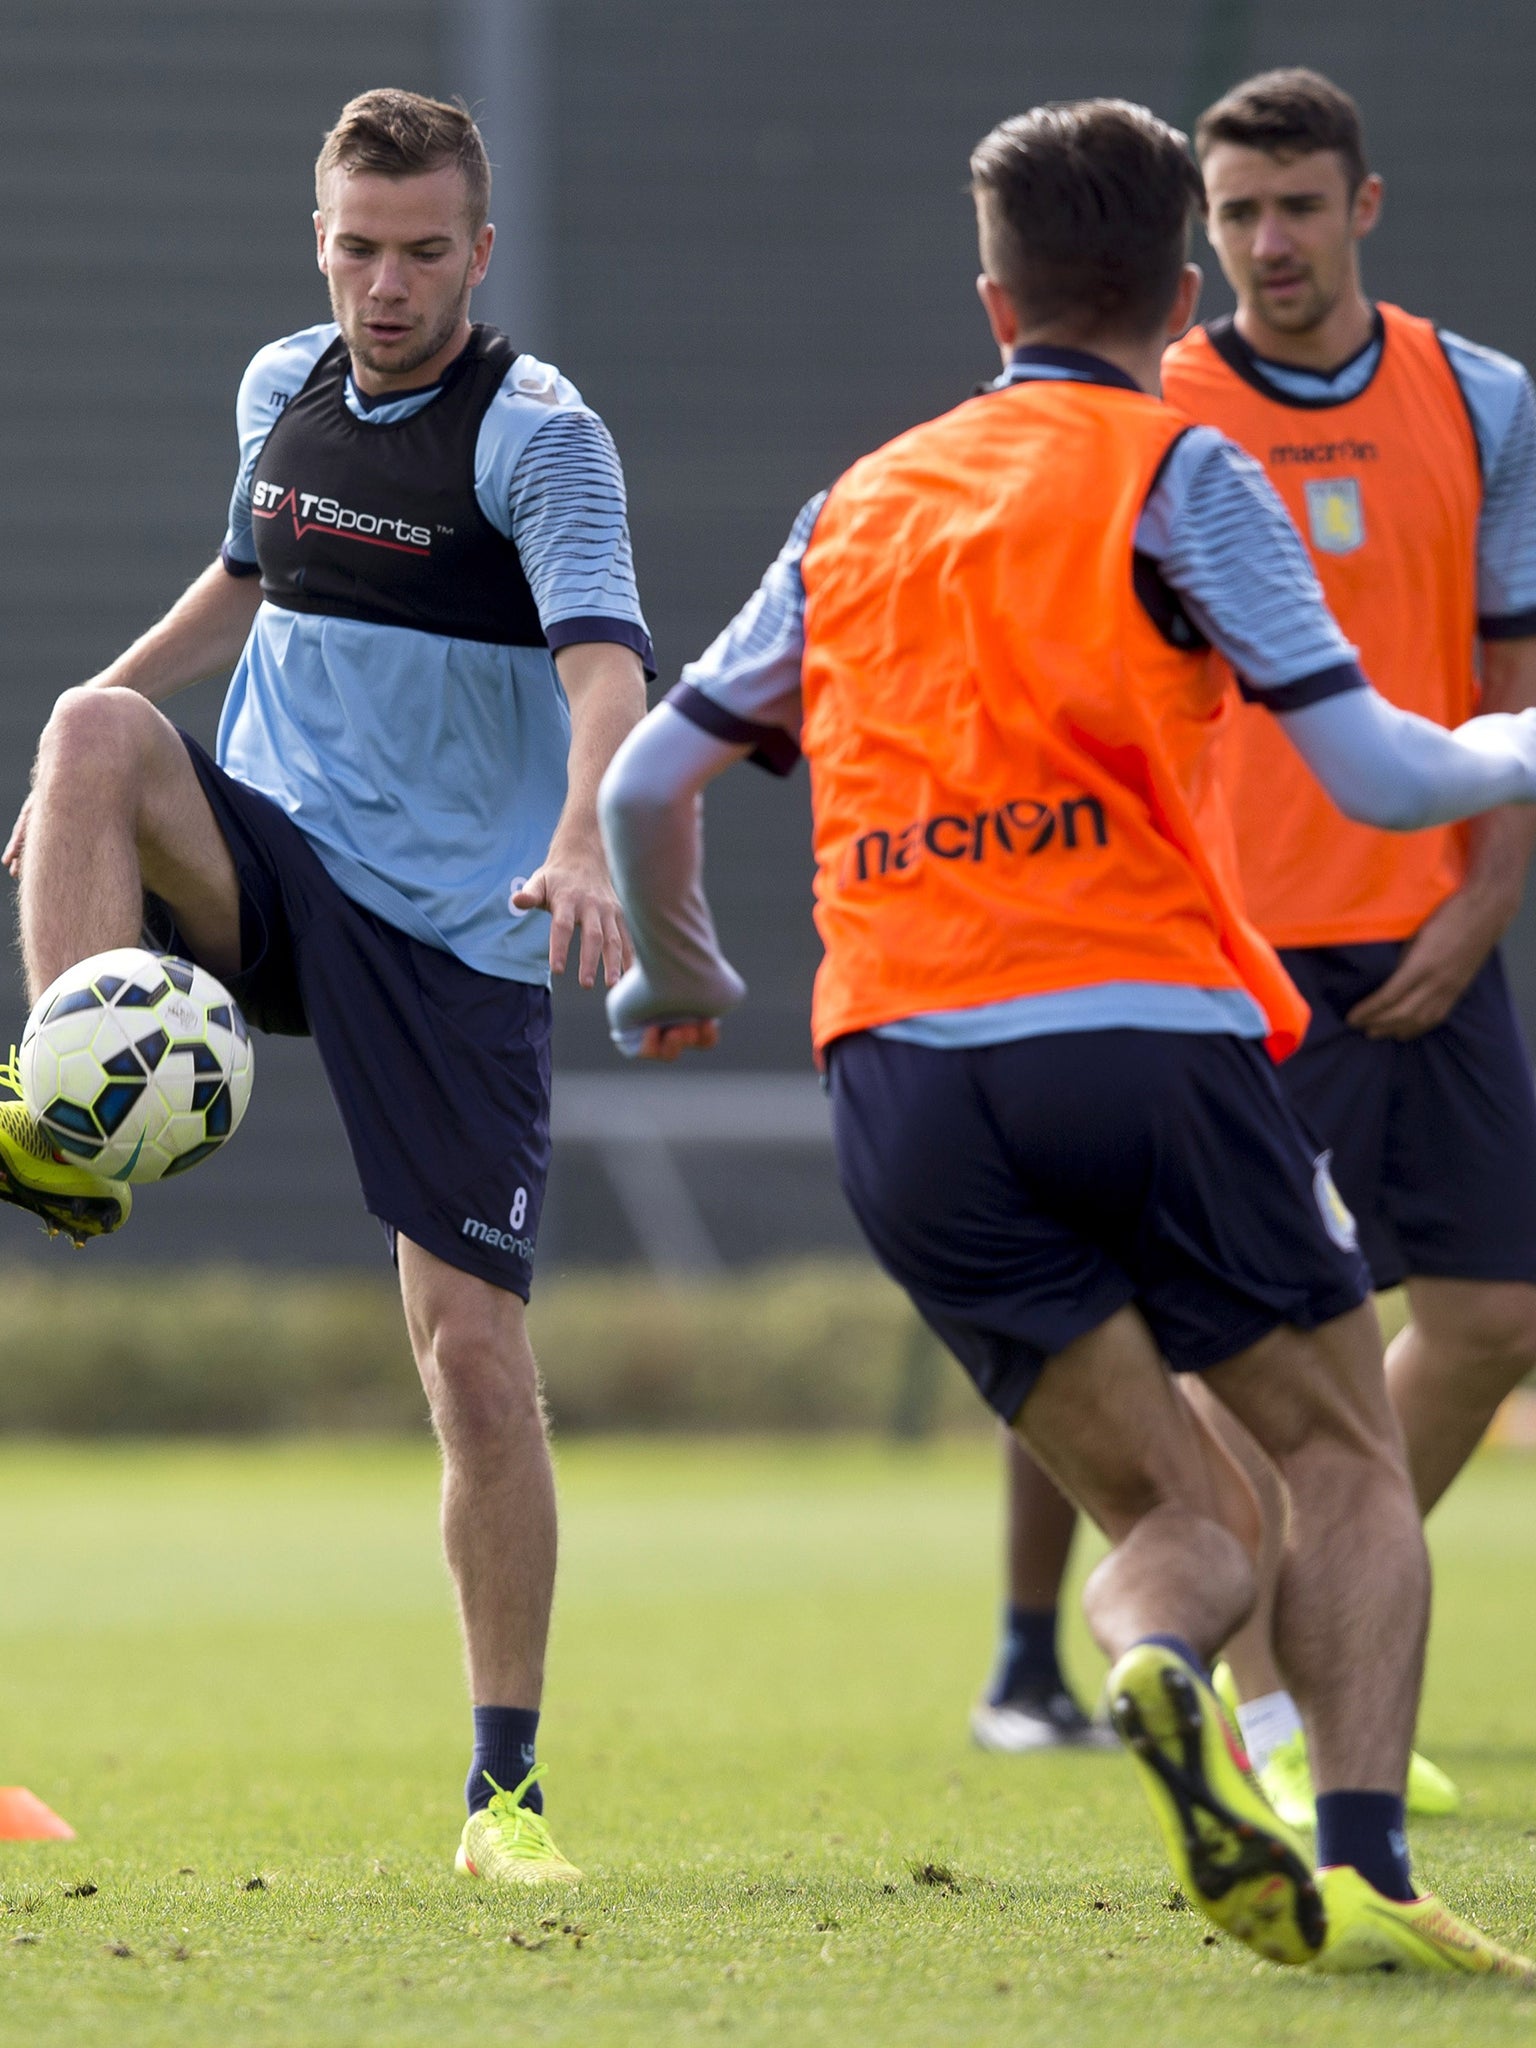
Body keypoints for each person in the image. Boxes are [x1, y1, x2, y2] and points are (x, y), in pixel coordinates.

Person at [597, 98, 1536, 1976]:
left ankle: (1165, 1672)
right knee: (1344, 1454)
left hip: (902, 1081)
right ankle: (1359, 1860)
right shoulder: (1181, 469)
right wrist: (1518, 751)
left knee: (1179, 1518)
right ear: (1177, 285)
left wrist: (678, 980)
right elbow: (1377, 765)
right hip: (1142, 1033)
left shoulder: (859, 495)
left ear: (992, 292)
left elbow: (647, 778)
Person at [0, 89, 650, 1885]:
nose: (386, 285)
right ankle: (76, 1114)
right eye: (359, 247)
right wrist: (68, 781)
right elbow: (237, 586)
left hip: (456, 936)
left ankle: (502, 1795)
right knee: (90, 726)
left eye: (423, 252)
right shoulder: (280, 382)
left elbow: (608, 675)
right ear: (319, 240)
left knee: (473, 1362)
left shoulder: (541, 439)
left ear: (480, 252)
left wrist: (588, 837)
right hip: (280, 863)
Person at [991, 68, 1536, 1827]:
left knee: (1491, 1313)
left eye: (1298, 205)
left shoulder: (1484, 399)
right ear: (1194, 234)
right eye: (1233, 214)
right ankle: (1284, 1716)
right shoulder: (1156, 400)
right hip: (1219, 953)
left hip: (1428, 934)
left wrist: (1482, 898)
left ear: (1363, 205)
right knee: (1241, 1349)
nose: (1267, 243)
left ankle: (1315, 1616)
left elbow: (1505, 680)